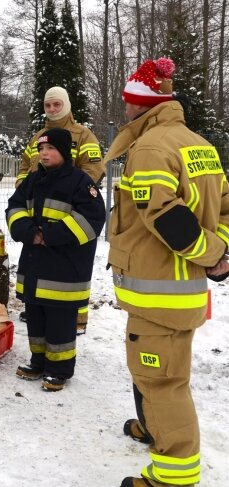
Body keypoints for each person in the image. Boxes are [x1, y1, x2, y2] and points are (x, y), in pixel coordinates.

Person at [105, 58, 229, 487]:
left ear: (142, 105)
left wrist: (212, 254)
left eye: (127, 104)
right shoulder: (200, 145)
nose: (124, 112)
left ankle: (172, 477)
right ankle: (154, 428)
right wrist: (222, 249)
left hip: (159, 296)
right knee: (164, 374)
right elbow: (226, 208)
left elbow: (163, 214)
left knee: (163, 383)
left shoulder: (152, 148)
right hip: (181, 293)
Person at [6, 128, 105, 391]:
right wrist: (28, 232)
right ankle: (39, 360)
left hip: (65, 269)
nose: (44, 154)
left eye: (50, 149)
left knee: (60, 320)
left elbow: (92, 220)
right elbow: (14, 207)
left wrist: (48, 236)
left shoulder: (80, 183)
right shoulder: (33, 179)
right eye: (41, 149)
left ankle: (59, 369)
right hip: (36, 265)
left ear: (64, 152)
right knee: (36, 315)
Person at [16, 86, 105, 335]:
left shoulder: (83, 135)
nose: (52, 109)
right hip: (38, 213)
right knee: (41, 264)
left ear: (66, 105)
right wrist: (25, 187)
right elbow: (25, 166)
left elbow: (93, 171)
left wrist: (65, 191)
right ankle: (39, 305)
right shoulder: (38, 137)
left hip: (69, 213)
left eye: (57, 104)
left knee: (71, 268)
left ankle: (77, 316)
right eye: (48, 105)